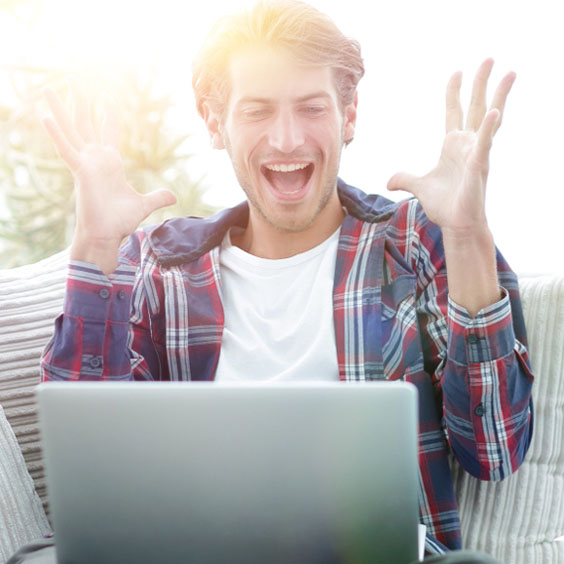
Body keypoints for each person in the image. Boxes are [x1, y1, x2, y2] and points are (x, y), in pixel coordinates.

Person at [32, 1, 533, 562]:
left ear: (349, 113)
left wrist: (467, 236)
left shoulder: (420, 242)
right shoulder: (162, 269)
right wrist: (97, 248)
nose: (287, 139)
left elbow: (494, 450)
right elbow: (97, 471)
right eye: (258, 111)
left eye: (311, 107)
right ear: (215, 122)